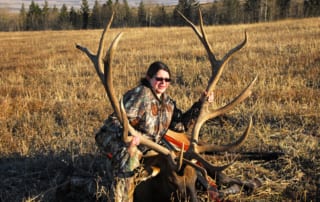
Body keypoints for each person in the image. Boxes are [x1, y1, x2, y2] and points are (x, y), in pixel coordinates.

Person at [95, 61, 213, 202]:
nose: (163, 82)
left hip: (147, 147)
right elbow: (115, 121)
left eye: (167, 80)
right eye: (159, 79)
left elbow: (181, 125)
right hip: (116, 140)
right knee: (130, 157)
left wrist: (200, 104)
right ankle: (123, 198)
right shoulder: (141, 95)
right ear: (149, 78)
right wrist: (130, 136)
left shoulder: (167, 102)